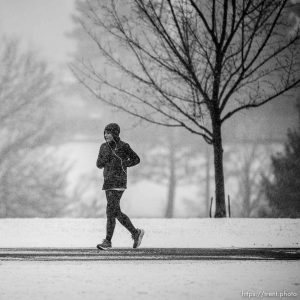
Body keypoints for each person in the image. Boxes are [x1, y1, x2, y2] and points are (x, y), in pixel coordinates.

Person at [96, 123, 144, 250]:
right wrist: (104, 159)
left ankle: (108, 241)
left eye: (108, 132)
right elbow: (98, 164)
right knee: (113, 211)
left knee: (111, 210)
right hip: (108, 182)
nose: (106, 135)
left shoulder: (123, 146)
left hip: (119, 181)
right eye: (105, 133)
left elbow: (136, 159)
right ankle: (135, 232)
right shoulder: (103, 147)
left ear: (115, 133)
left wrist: (123, 164)